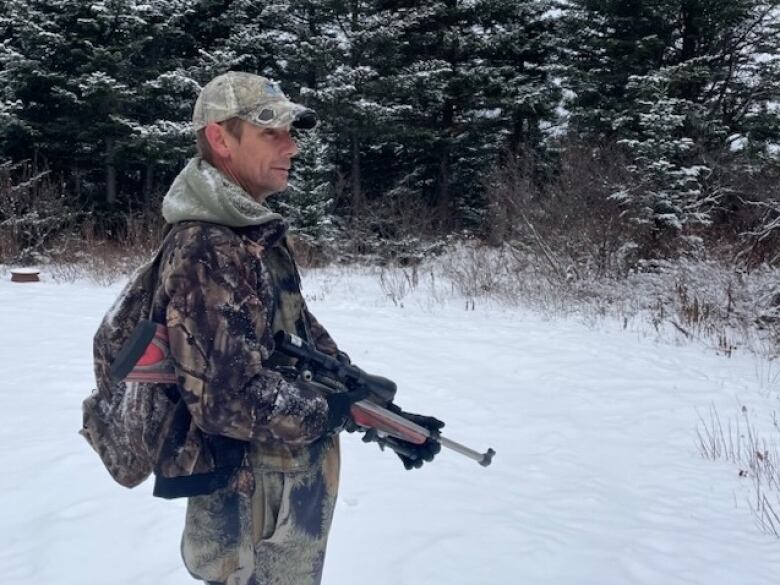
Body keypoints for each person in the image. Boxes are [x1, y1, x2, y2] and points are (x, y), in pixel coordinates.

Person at [142, 71, 441, 585]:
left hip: (281, 485)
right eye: (271, 133)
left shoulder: (248, 234)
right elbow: (224, 399)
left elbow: (294, 333)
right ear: (220, 139)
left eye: (291, 132)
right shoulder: (207, 246)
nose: (292, 147)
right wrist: (331, 410)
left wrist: (374, 409)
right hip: (253, 502)